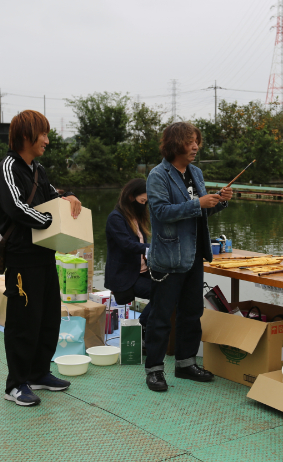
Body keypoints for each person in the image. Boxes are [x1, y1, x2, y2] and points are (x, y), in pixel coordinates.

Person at [0, 110, 82, 407]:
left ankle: (39, 372)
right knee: (23, 321)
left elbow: (51, 196)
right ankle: (16, 384)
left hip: (44, 254)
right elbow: (16, 207)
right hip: (21, 258)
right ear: (25, 136)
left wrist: (68, 197)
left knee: (48, 318)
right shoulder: (8, 167)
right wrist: (49, 221)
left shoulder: (37, 169)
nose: (46, 140)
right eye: (42, 134)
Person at [143, 121, 232, 393]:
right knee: (161, 316)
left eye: (197, 141)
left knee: (192, 313)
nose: (195, 147)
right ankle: (154, 370)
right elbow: (160, 212)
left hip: (194, 255)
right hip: (169, 257)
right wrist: (198, 203)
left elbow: (201, 212)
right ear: (175, 144)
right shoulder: (158, 175)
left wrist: (220, 200)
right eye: (190, 141)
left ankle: (185, 364)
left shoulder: (196, 173)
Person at [105, 178, 153, 327]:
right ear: (131, 197)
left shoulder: (136, 218)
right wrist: (155, 247)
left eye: (146, 202)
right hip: (126, 276)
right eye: (142, 201)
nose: (144, 205)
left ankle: (153, 328)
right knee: (163, 293)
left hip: (143, 271)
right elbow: (128, 245)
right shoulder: (116, 218)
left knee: (172, 289)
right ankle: (142, 325)